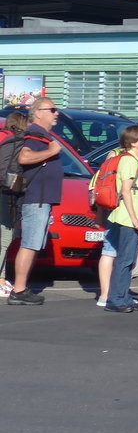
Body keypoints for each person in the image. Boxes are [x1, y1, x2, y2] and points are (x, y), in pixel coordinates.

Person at [8, 99, 65, 306]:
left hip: (41, 200)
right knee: (30, 244)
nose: (56, 113)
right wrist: (51, 151)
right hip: (35, 200)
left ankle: (22, 288)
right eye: (52, 110)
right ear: (38, 113)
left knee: (33, 245)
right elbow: (24, 157)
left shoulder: (42, 135)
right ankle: (19, 290)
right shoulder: (35, 133)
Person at [103, 125, 138, 313]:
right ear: (132, 142)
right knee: (124, 259)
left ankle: (123, 296)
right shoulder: (129, 161)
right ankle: (115, 299)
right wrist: (135, 220)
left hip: (131, 218)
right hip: (127, 218)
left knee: (129, 259)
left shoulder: (135, 160)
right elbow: (126, 191)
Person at [0, 111, 26, 298]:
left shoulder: (3, 137)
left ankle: (1, 279)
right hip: (5, 193)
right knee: (5, 239)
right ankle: (0, 280)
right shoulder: (17, 141)